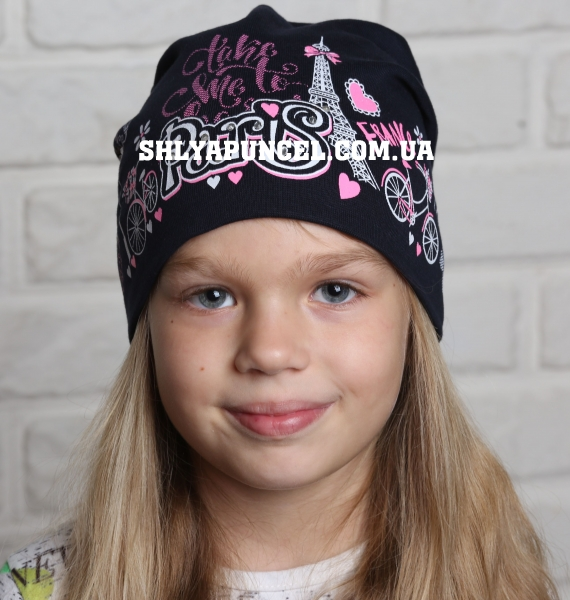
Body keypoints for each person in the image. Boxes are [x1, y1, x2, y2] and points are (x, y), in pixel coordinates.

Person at [0, 5, 559, 600]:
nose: (269, 352)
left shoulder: (500, 581)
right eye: (211, 296)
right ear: (150, 328)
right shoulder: (39, 590)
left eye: (335, 290)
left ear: (411, 317)